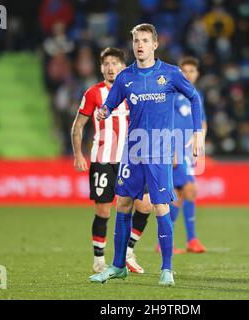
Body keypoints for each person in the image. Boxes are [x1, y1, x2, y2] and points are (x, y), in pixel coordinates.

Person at [89, 23, 204, 286]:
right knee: (123, 204)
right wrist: (103, 111)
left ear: (154, 45)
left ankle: (167, 270)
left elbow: (194, 98)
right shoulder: (125, 77)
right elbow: (110, 104)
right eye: (135, 41)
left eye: (144, 40)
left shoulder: (171, 74)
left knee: (160, 206)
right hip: (133, 150)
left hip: (160, 150)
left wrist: (197, 133)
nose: (139, 45)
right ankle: (118, 265)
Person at [71, 47, 152, 274]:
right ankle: (98, 259)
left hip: (132, 160)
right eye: (106, 64)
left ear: (123, 67)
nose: (110, 68)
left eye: (115, 63)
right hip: (103, 160)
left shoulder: (134, 91)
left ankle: (128, 251)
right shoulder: (93, 93)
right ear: (101, 68)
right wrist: (78, 154)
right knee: (104, 211)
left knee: (146, 205)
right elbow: (78, 126)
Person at [165, 56, 208, 254]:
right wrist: (172, 150)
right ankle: (187, 240)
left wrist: (199, 142)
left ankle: (176, 241)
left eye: (192, 71)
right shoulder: (173, 93)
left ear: (197, 74)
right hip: (175, 150)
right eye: (185, 71)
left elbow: (202, 122)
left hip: (188, 152)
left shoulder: (195, 95)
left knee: (183, 194)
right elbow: (168, 123)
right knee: (186, 191)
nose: (188, 74)